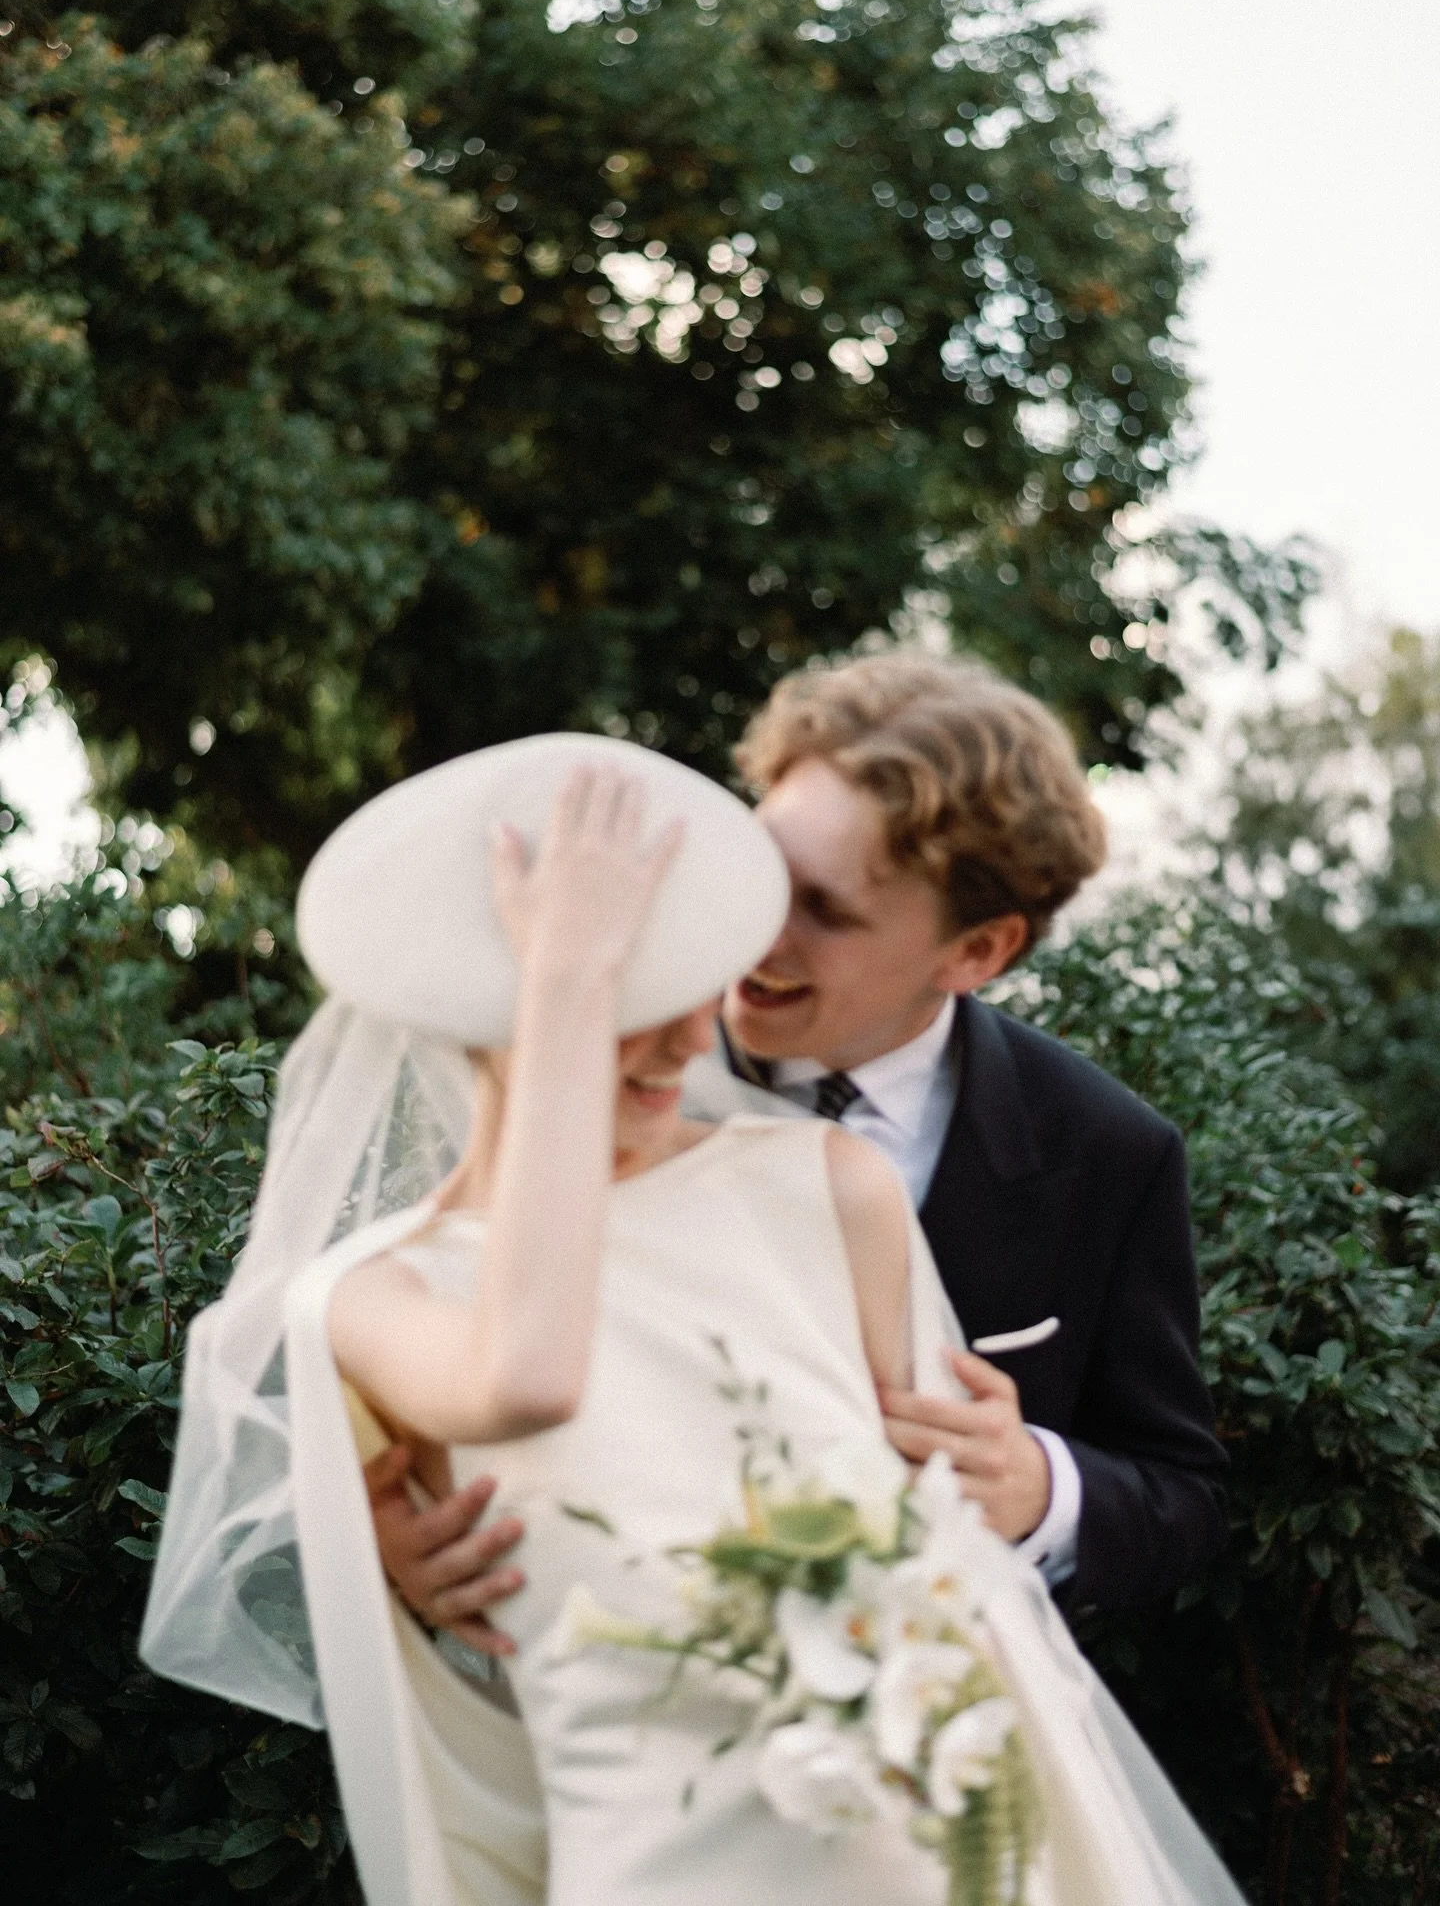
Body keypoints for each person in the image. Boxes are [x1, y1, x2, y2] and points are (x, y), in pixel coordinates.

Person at [141, 732, 1245, 1906]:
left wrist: (1015, 1485)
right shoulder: (372, 1291)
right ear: (497, 998)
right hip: (651, 1852)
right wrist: (570, 976)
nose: (691, 1030)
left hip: (931, 1827)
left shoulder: (829, 1182)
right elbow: (527, 1377)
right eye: (633, 992)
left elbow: (949, 1554)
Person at [373, 654, 1226, 1661]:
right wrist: (399, 1534)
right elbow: (424, 1318)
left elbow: (1186, 1496)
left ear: (978, 951)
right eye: (757, 866)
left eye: (824, 908)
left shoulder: (1103, 1150)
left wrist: (1043, 1485)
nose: (756, 930)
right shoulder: (583, 1064)